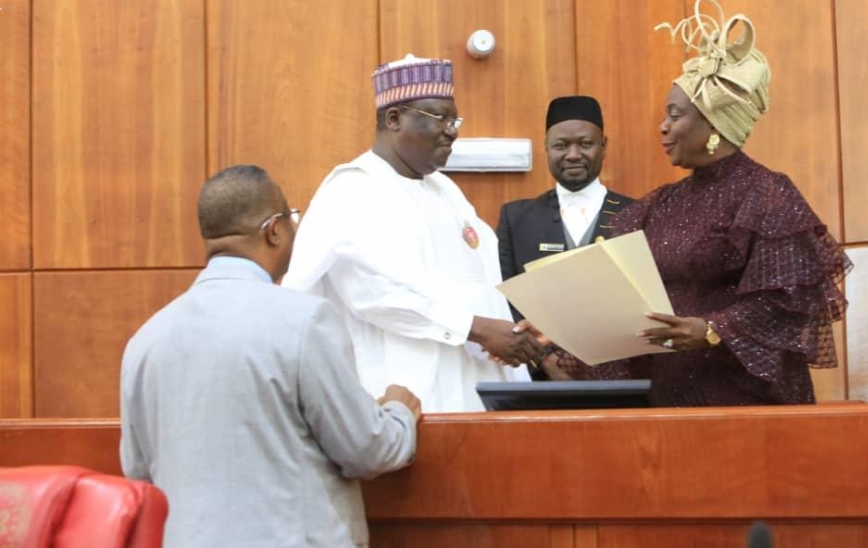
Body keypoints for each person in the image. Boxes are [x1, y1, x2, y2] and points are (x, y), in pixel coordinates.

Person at [546, 0, 851, 406]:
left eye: (675, 115)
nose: (663, 126)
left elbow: (786, 304)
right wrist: (557, 330)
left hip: (746, 402)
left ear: (713, 124)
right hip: (668, 399)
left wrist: (712, 329)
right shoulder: (659, 204)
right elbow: (621, 297)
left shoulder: (766, 193)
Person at [119, 165, 421, 548]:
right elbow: (367, 450)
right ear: (273, 230)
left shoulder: (145, 341)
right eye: (292, 219)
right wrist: (398, 413)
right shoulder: (304, 321)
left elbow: (138, 472)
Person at [282, 54, 543, 412]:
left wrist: (514, 335)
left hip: (473, 389)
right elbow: (377, 293)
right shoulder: (353, 189)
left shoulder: (446, 191)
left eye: (455, 119)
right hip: (405, 398)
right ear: (394, 119)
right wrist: (478, 329)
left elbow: (480, 283)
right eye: (441, 117)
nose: (453, 130)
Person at [496, 95, 634, 289]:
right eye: (561, 146)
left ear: (603, 147)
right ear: (546, 148)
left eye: (585, 144)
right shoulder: (516, 219)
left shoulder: (637, 213)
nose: (573, 155)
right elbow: (505, 295)